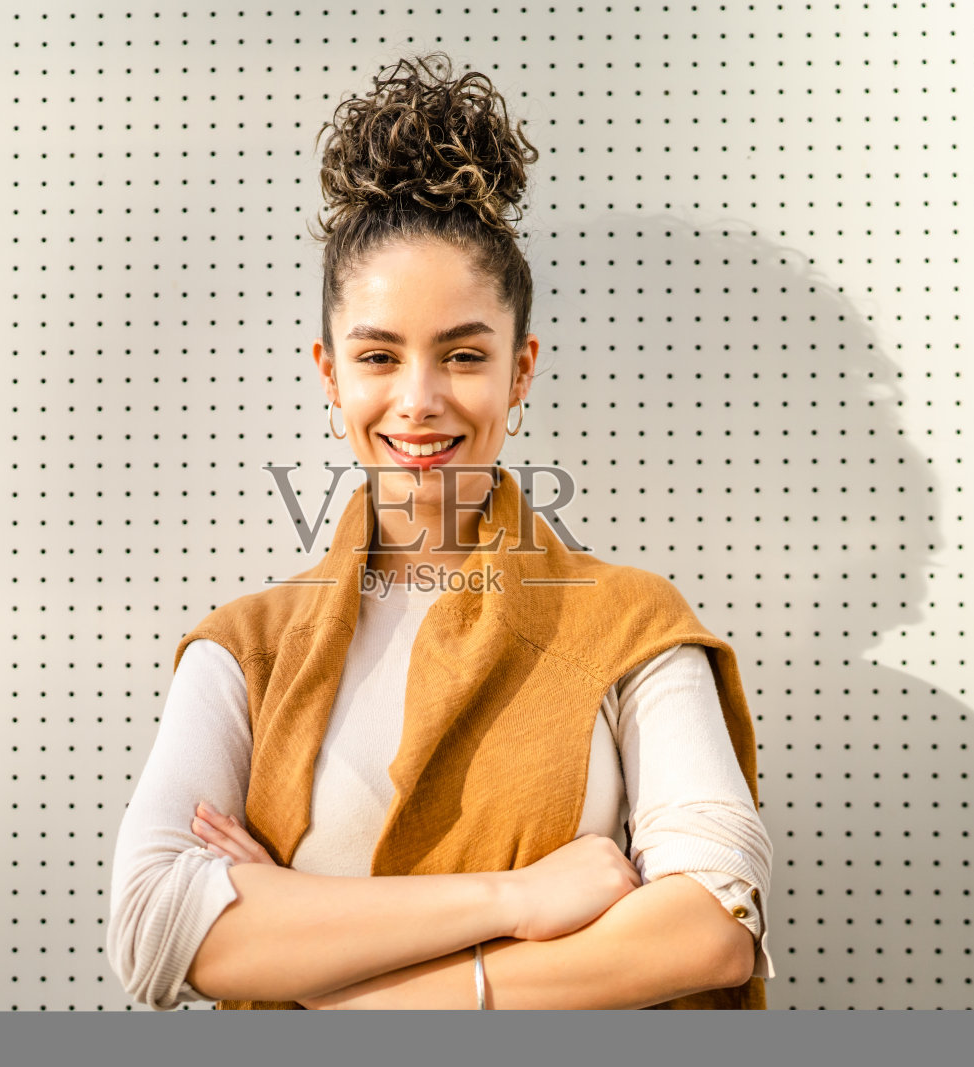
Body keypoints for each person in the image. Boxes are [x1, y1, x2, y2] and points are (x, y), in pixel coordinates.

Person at [106, 53, 776, 1010]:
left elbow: (711, 929)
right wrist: (519, 898)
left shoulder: (632, 623)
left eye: (463, 354)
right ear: (330, 372)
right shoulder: (244, 651)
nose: (418, 403)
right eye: (379, 355)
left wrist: (312, 960)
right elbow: (150, 929)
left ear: (521, 368)